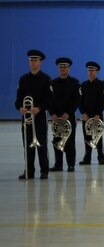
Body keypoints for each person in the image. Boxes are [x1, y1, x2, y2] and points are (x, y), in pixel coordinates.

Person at [16, 49, 52, 180]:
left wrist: (40, 108)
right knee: (27, 145)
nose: (33, 62)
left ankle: (44, 170)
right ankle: (29, 171)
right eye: (31, 60)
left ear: (40, 62)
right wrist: (20, 107)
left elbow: (49, 99)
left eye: (35, 60)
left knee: (41, 145)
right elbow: (18, 99)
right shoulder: (23, 79)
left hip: (40, 117)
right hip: (26, 118)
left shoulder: (46, 79)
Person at [50, 57, 80, 172]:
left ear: (69, 68)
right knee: (57, 140)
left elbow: (77, 99)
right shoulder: (53, 83)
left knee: (69, 141)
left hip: (69, 117)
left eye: (65, 67)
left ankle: (71, 164)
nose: (62, 69)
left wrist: (68, 112)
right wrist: (52, 113)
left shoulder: (75, 83)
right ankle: (58, 164)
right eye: (61, 67)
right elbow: (49, 100)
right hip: (56, 118)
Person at [79, 61, 104, 166]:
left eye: (93, 70)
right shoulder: (83, 85)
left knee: (98, 137)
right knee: (87, 137)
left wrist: (98, 114)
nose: (91, 72)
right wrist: (83, 113)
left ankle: (101, 158)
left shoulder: (101, 85)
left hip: (97, 116)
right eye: (89, 70)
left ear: (97, 71)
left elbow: (103, 101)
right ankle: (87, 158)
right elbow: (80, 101)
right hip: (86, 116)